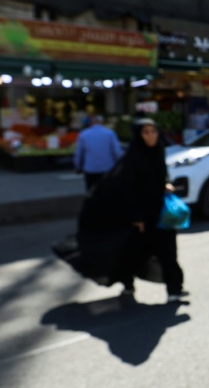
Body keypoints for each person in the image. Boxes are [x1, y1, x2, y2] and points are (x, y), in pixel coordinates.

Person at [80, 119, 187, 303]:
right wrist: (136, 216)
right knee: (134, 254)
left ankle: (175, 289)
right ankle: (127, 283)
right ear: (139, 135)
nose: (151, 136)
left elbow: (161, 175)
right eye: (146, 132)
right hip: (142, 216)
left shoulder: (158, 151)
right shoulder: (133, 157)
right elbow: (129, 189)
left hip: (161, 213)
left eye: (153, 131)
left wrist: (166, 184)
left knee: (168, 252)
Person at [73, 115, 123, 191]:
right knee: (107, 191)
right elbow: (116, 152)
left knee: (91, 191)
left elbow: (79, 153)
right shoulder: (110, 133)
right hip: (107, 168)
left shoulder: (84, 134)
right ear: (102, 122)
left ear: (91, 123)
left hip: (90, 168)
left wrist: (78, 167)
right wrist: (119, 165)